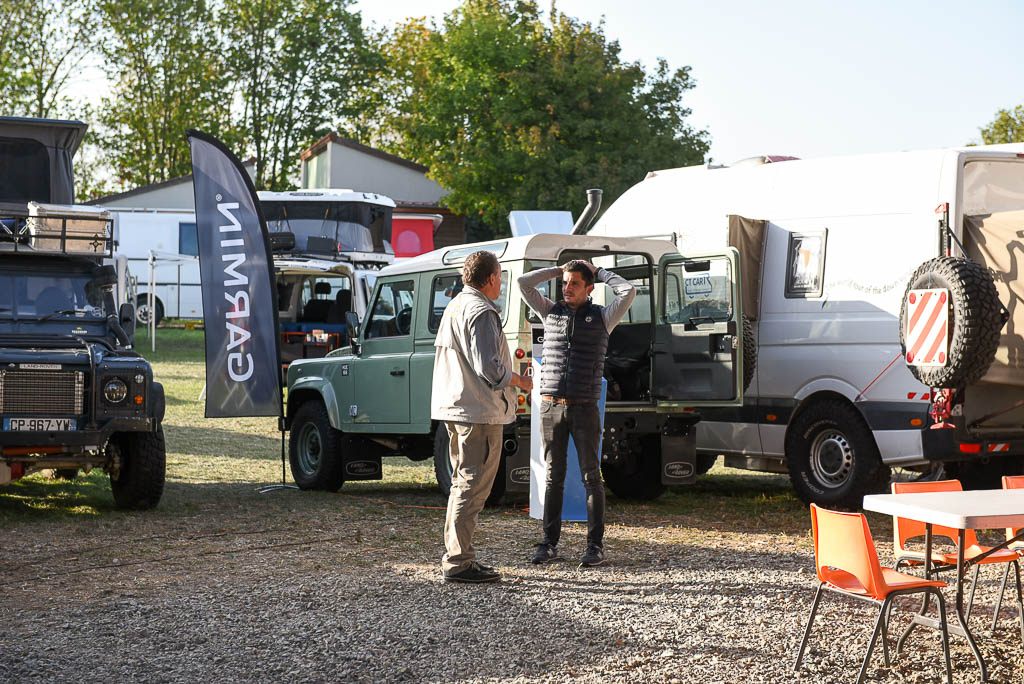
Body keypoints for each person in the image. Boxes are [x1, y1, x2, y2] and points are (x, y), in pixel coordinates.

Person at [518, 260, 635, 567]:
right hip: (551, 405)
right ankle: (548, 543)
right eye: (565, 283)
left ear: (589, 288)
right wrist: (557, 270)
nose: (567, 288)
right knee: (553, 476)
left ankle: (595, 547)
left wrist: (600, 272)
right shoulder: (550, 311)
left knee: (591, 477)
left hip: (584, 407)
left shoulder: (603, 316)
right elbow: (523, 283)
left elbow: (628, 291)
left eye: (575, 283)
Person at [431, 250, 533, 583]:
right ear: (490, 278)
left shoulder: (455, 305)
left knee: (462, 483)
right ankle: (458, 562)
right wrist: (520, 381)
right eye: (500, 276)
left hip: (458, 407)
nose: (501, 283)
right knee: (472, 486)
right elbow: (490, 368)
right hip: (479, 412)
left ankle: (457, 556)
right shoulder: (481, 311)